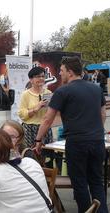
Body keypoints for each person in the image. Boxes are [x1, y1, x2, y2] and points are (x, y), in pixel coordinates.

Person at [34, 56, 108, 212]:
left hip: (77, 143)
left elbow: (47, 119)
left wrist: (38, 140)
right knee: (96, 181)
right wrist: (96, 132)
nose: (60, 74)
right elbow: (103, 115)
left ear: (70, 71)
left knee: (79, 182)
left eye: (61, 71)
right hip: (97, 142)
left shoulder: (62, 91)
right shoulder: (96, 89)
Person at [17, 66, 54, 167]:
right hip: (30, 129)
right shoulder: (26, 94)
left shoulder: (48, 93)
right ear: (31, 79)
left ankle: (47, 178)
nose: (41, 79)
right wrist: (36, 108)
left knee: (47, 158)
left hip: (45, 129)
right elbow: (22, 115)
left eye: (43, 76)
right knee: (30, 158)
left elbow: (51, 113)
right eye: (38, 76)